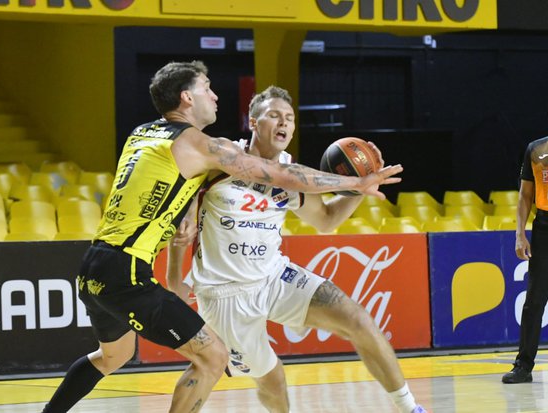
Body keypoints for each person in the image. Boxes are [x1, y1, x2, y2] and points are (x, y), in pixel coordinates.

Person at [42, 62, 404, 413]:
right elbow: (278, 175)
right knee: (213, 358)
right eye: (207, 88)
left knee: (112, 356)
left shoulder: (143, 133)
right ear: (187, 97)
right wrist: (356, 182)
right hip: (132, 274)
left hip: (95, 265)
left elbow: (175, 201)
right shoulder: (201, 145)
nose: (215, 96)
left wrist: (181, 234)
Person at [167, 85, 427, 413]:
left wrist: (361, 188)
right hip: (225, 293)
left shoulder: (292, 175)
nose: (284, 123)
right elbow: (182, 211)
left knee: (358, 319)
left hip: (274, 276)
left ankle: (410, 408)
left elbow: (327, 220)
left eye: (289, 118)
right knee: (267, 379)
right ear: (253, 121)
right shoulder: (222, 156)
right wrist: (174, 277)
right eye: (274, 115)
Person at [502, 95, 548, 384]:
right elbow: (525, 196)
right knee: (534, 301)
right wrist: (520, 234)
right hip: (545, 228)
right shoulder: (535, 149)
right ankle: (523, 366)